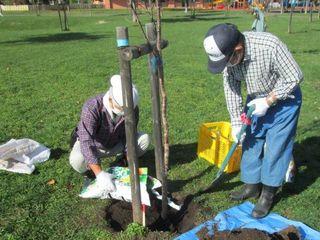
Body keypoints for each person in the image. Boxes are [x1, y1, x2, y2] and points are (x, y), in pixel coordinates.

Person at [203, 23, 303, 218]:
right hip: (256, 101)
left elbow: (295, 76)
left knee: (276, 147)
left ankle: (267, 194)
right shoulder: (229, 57)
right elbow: (231, 88)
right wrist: (236, 122)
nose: (226, 67)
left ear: (238, 50)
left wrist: (269, 100)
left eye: (228, 61)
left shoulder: (269, 45)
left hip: (284, 101)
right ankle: (251, 186)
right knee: (250, 142)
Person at [69, 74, 150, 197]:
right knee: (77, 160)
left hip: (115, 144)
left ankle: (121, 162)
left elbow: (130, 135)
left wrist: (130, 160)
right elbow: (86, 141)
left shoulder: (133, 109)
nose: (125, 113)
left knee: (144, 139)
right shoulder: (92, 107)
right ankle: (92, 172)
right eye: (121, 109)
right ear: (111, 99)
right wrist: (100, 174)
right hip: (95, 146)